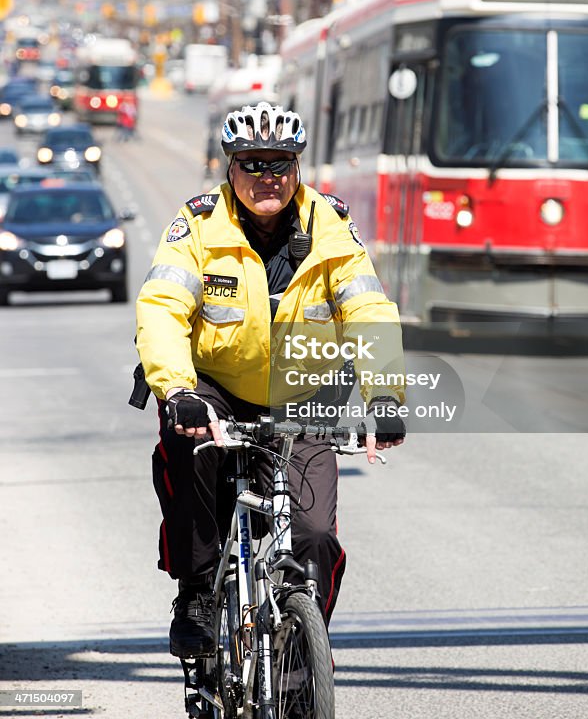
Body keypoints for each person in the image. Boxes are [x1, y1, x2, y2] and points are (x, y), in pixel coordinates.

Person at [135, 101, 406, 659]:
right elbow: (162, 306)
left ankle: (300, 654)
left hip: (304, 398)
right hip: (215, 388)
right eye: (253, 164)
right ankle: (197, 595)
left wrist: (384, 394)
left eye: (280, 163)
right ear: (230, 166)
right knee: (191, 453)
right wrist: (179, 391)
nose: (268, 177)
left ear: (298, 167)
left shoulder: (329, 224)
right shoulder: (198, 223)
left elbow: (367, 309)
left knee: (312, 536)